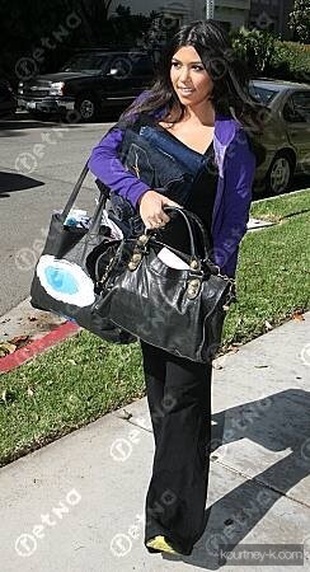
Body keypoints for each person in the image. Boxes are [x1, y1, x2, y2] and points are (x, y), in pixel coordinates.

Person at [89, 19, 262, 557]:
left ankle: (173, 523)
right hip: (142, 273)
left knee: (185, 398)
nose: (185, 78)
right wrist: (138, 192)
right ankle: (181, 476)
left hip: (192, 284)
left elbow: (233, 220)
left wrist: (220, 287)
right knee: (163, 394)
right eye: (177, 64)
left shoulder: (231, 139)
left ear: (217, 72)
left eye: (198, 67)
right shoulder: (149, 106)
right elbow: (101, 156)